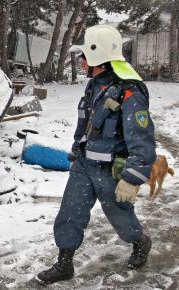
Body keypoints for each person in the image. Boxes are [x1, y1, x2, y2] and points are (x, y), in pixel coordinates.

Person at [36, 25, 156, 284]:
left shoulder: (130, 91)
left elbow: (142, 139)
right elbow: (87, 125)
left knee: (121, 218)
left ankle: (140, 242)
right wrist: (76, 152)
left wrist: (132, 178)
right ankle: (64, 263)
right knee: (70, 213)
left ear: (97, 57)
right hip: (84, 165)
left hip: (111, 171)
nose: (80, 61)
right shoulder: (94, 85)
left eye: (83, 56)